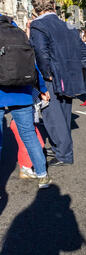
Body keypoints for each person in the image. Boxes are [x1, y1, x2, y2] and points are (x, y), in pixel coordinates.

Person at [30, 0, 86, 167]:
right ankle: (61, 149)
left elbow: (41, 52)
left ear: (35, 8)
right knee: (63, 115)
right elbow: (84, 52)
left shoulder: (38, 25)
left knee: (53, 116)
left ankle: (64, 153)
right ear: (53, 6)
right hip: (68, 76)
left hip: (52, 77)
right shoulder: (69, 26)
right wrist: (71, 67)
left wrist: (47, 73)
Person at [0, 13, 51, 188]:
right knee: (28, 134)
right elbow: (33, 65)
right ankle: (43, 175)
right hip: (23, 90)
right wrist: (42, 89)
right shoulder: (18, 32)